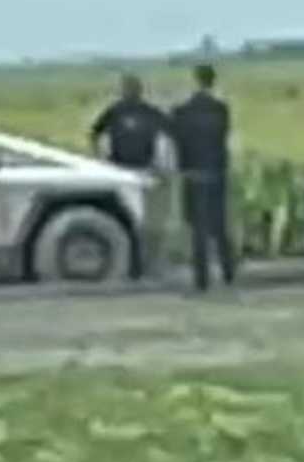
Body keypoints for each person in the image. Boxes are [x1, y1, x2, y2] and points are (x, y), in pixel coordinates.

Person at [90, 74, 175, 279]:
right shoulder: (115, 111)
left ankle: (148, 265)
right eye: (127, 88)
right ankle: (135, 266)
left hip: (145, 172)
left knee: (146, 223)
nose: (129, 92)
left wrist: (162, 165)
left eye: (132, 88)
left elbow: (171, 134)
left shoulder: (150, 112)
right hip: (119, 173)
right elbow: (95, 133)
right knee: (129, 220)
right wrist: (101, 158)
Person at [170, 64, 237, 292]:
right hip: (216, 172)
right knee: (219, 225)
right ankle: (228, 271)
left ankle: (202, 278)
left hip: (193, 173)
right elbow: (223, 139)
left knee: (197, 227)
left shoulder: (182, 111)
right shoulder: (221, 109)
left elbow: (177, 141)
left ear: (196, 80)